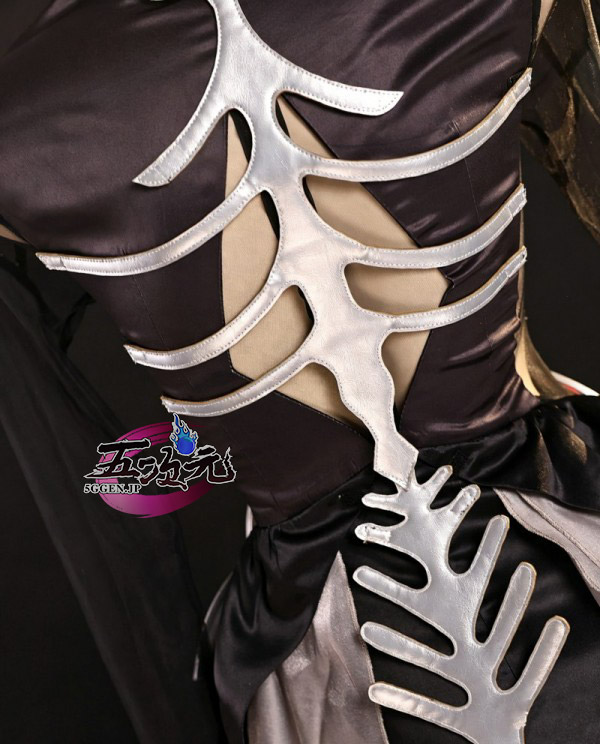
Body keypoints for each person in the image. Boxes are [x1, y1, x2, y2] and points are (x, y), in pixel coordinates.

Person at [1, 0, 599, 742]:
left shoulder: (20, 118)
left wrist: (230, 448)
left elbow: (124, 487)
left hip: (323, 657)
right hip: (562, 540)